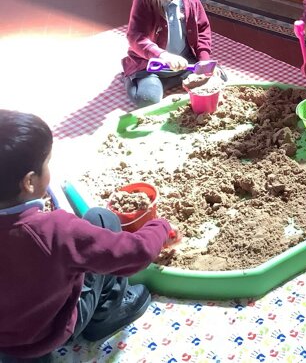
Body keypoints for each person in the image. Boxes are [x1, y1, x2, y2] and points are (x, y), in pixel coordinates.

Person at [0, 109, 176, 361]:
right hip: (51, 330)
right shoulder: (55, 230)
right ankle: (105, 315)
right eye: (47, 163)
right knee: (102, 218)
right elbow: (136, 253)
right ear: (29, 182)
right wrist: (160, 227)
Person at [122, 0, 218, 107]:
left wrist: (203, 59)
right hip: (151, 66)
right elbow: (136, 37)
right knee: (148, 98)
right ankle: (136, 79)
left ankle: (174, 80)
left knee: (219, 79)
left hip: (184, 63)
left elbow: (203, 28)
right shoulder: (143, 0)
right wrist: (162, 55)